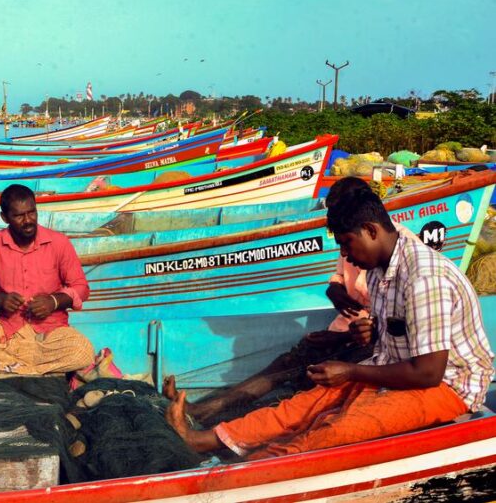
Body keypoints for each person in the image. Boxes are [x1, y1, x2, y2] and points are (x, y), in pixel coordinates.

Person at [165, 186, 494, 460]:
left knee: (339, 428)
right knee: (301, 407)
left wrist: (350, 371)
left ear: (370, 230)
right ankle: (205, 440)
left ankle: (261, 468)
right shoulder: (380, 272)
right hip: (396, 366)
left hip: (446, 387)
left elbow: (429, 372)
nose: (345, 255)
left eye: (346, 244)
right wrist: (373, 333)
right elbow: (397, 333)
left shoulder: (424, 277)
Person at [162, 177, 420, 425]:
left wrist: (351, 338)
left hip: (371, 350)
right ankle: (205, 409)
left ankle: (226, 423)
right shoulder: (352, 241)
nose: (342, 247)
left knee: (305, 380)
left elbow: (391, 331)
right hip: (346, 329)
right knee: (289, 361)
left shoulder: (396, 257)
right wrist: (334, 288)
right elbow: (340, 275)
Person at [0, 183, 94, 396]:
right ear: (5, 218)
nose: (28, 221)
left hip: (50, 332)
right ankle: (19, 365)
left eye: (32, 212)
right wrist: (0, 299)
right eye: (19, 216)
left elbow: (82, 288)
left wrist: (53, 301)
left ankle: (8, 366)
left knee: (82, 352)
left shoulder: (59, 242)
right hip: (7, 328)